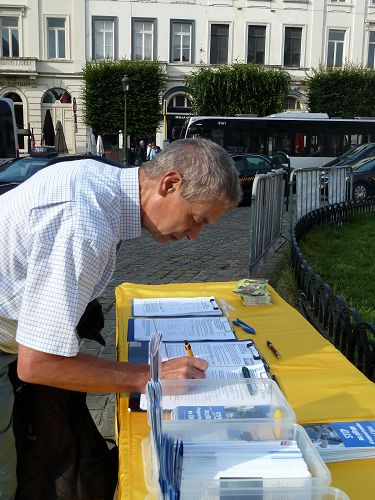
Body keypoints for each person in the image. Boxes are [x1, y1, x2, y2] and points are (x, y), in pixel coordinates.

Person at [0, 137, 241, 498]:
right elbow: (38, 365)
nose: (194, 237)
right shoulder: (87, 225)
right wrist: (150, 376)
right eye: (195, 219)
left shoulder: (96, 183)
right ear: (170, 183)